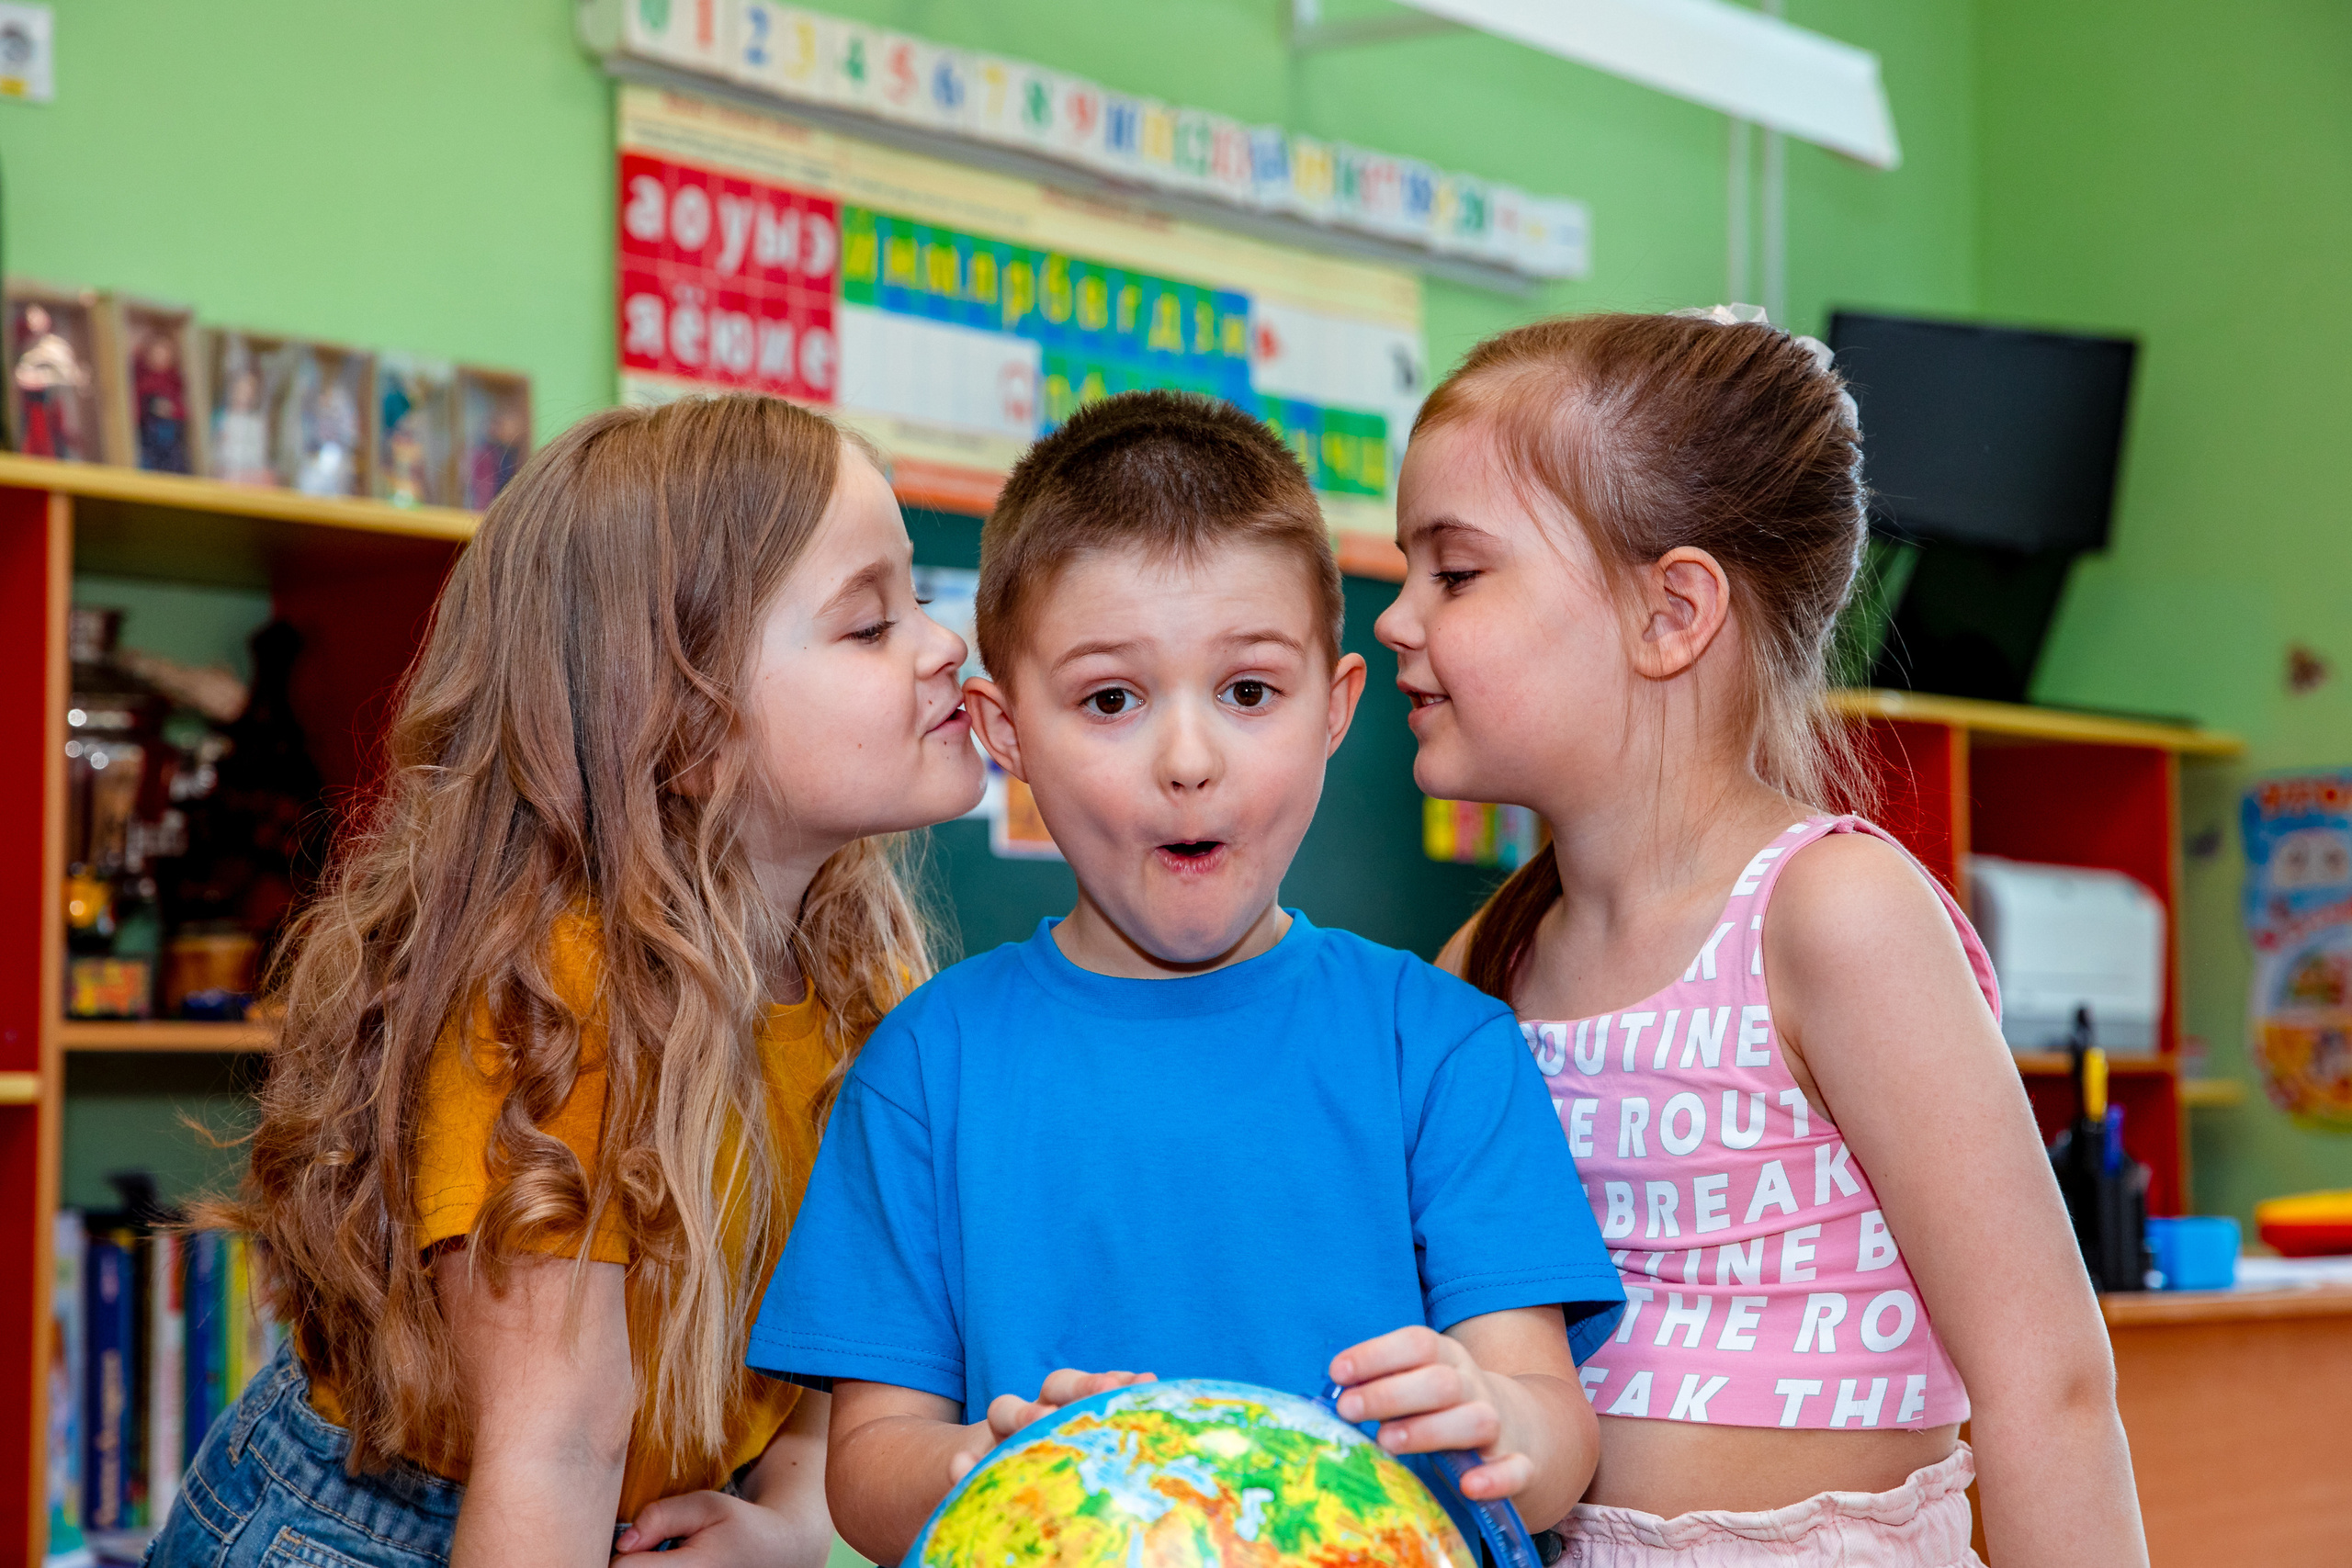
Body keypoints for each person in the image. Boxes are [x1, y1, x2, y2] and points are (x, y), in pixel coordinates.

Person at [752, 389, 1625, 1566]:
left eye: (1250, 692)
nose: (1189, 760)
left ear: (1336, 707)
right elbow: (867, 1462)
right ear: (1003, 734)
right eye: (1111, 700)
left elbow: (1555, 1429)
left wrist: (1499, 1415)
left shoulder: (1443, 1046)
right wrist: (987, 1460)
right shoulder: (926, 1064)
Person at [147, 394, 987, 1568]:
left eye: (919, 602)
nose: (946, 643)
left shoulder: (862, 981)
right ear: (686, 727)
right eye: (869, 626)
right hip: (388, 1528)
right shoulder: (555, 997)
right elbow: (556, 1447)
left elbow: (824, 1349)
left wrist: (787, 1523)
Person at [1377, 310, 2147, 1567]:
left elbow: (2048, 1388)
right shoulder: (1488, 959)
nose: (1399, 619)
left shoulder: (1833, 915)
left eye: (1454, 572)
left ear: (1673, 610)